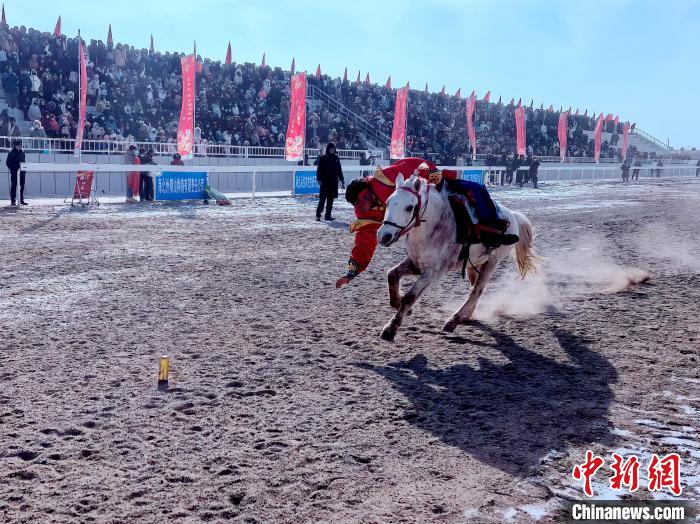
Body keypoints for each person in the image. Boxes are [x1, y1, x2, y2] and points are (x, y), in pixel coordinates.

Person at [336, 157, 518, 288]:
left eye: (360, 200)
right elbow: (364, 241)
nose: (361, 206)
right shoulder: (365, 212)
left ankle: (493, 229)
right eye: (357, 204)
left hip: (430, 190)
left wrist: (433, 177)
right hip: (415, 223)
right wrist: (351, 272)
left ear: (366, 191)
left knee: (475, 190)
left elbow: (414, 164)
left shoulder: (387, 178)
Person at [315, 142, 344, 221]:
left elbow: (339, 170)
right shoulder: (323, 158)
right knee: (322, 199)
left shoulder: (336, 158)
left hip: (333, 182)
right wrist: (319, 179)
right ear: (328, 149)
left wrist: (342, 179)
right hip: (324, 182)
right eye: (331, 148)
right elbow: (319, 170)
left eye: (333, 148)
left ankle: (328, 215)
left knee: (330, 200)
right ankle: (318, 215)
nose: (332, 150)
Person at [6, 139, 27, 206]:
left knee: (22, 187)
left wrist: (24, 170)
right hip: (14, 173)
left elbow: (24, 162)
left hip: (22, 173)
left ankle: (21, 200)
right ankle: (13, 201)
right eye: (17, 145)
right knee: (14, 187)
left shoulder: (22, 153)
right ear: (14, 145)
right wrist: (13, 170)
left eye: (19, 145)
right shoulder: (11, 153)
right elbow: (8, 163)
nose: (19, 146)